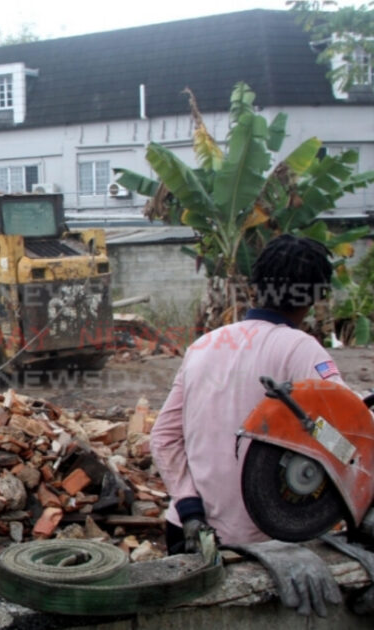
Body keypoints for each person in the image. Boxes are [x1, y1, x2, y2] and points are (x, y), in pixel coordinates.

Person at [151, 234, 346, 615]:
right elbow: (347, 439)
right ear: (314, 296)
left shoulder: (204, 346)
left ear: (256, 286)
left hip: (189, 533)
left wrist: (191, 508)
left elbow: (163, 436)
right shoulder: (301, 349)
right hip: (266, 542)